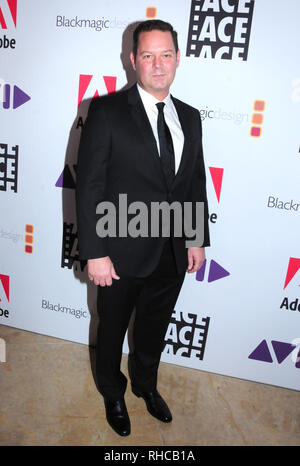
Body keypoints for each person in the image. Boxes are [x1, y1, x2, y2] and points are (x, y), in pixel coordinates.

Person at [76, 19, 210, 437]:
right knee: (112, 327)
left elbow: (193, 181)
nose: (157, 64)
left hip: (171, 251)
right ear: (133, 60)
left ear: (177, 59)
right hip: (118, 252)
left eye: (165, 55)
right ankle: (112, 391)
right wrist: (95, 251)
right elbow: (91, 186)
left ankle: (146, 385)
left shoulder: (190, 117)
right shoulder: (106, 110)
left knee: (153, 325)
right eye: (148, 55)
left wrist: (196, 239)